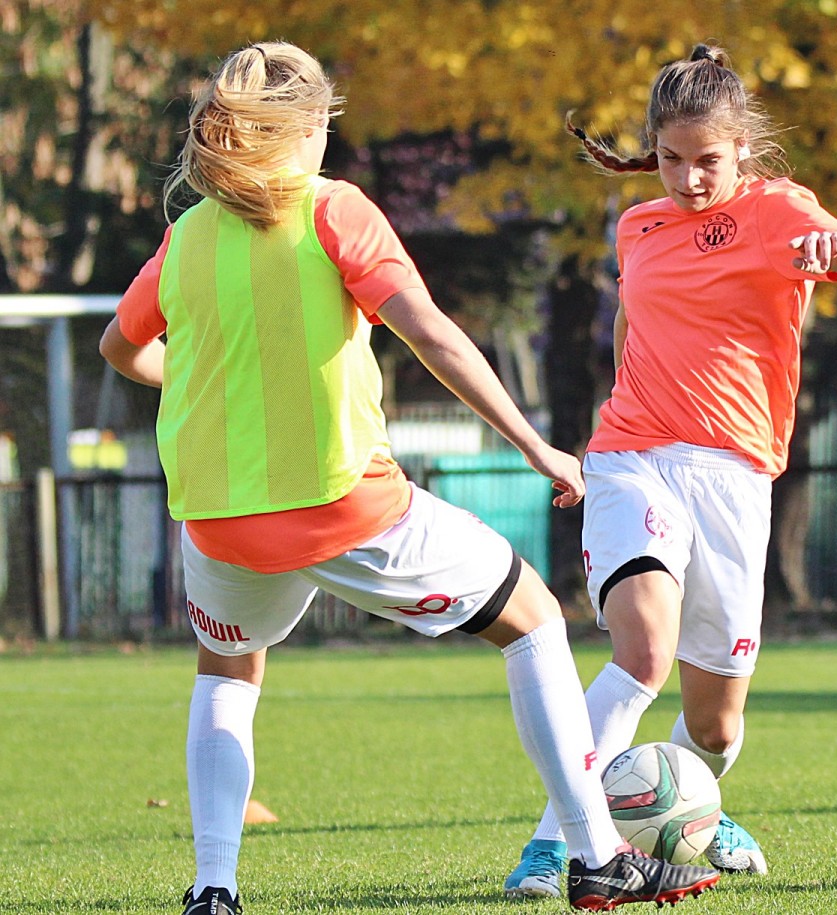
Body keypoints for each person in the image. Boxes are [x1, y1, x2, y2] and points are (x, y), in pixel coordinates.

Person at [98, 41, 720, 915]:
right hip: (344, 502)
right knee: (534, 619)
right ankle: (597, 856)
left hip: (220, 520)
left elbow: (121, 347)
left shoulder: (187, 234)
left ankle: (213, 889)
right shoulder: (334, 210)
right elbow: (429, 332)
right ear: (308, 129)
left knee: (227, 676)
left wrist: (204, 384)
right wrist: (533, 445)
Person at [504, 43, 837, 899]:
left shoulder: (780, 209)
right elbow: (631, 327)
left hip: (734, 474)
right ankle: (555, 845)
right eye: (671, 158)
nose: (688, 178)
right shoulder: (637, 225)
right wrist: (604, 429)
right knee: (642, 653)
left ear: (742, 148)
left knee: (716, 726)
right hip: (632, 457)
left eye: (707, 160)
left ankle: (693, 811)